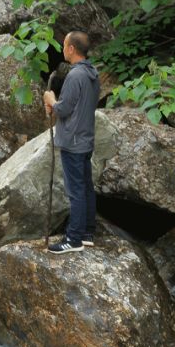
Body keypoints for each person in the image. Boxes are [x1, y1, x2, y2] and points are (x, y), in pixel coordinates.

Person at [42, 31, 101, 254]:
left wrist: (51, 100)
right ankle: (87, 232)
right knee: (86, 187)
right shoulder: (92, 74)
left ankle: (74, 239)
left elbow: (64, 109)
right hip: (85, 138)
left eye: (64, 45)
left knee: (75, 190)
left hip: (74, 141)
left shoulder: (75, 76)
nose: (62, 48)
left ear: (71, 49)